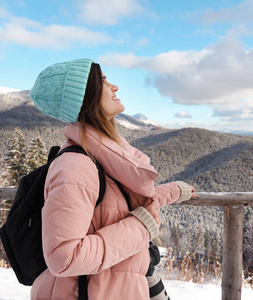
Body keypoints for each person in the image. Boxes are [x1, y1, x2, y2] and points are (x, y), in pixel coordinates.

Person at [29, 58, 197, 300]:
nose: (114, 86)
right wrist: (141, 226)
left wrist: (171, 192)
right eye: (104, 81)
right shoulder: (76, 166)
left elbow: (116, 207)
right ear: (85, 97)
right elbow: (63, 258)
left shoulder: (100, 157)